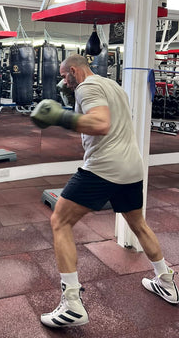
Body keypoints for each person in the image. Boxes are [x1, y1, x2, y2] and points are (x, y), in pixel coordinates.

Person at [30, 53, 178, 328]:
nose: (65, 81)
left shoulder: (86, 87)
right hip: (132, 166)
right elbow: (100, 117)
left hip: (104, 167)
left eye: (65, 76)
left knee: (60, 221)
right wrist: (70, 102)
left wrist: (60, 116)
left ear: (74, 70)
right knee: (139, 225)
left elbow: (100, 124)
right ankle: (167, 281)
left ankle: (72, 303)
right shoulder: (112, 86)